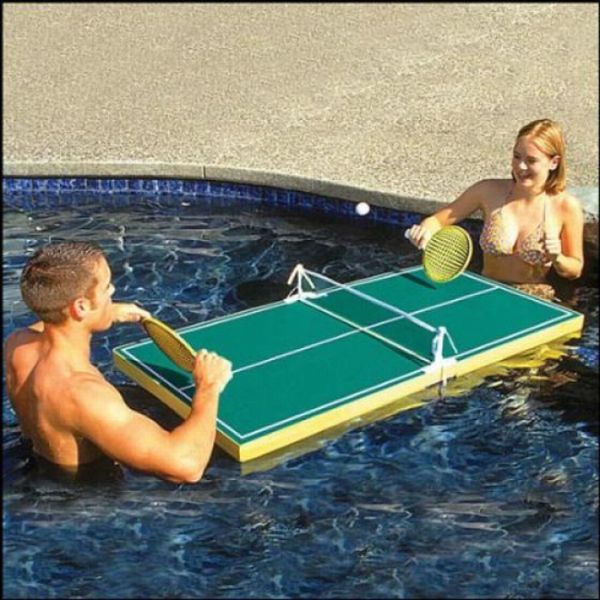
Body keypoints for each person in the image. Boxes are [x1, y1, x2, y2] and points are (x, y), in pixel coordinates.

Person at [4, 241, 233, 484]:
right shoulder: (84, 394)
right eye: (106, 288)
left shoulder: (17, 344)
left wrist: (104, 313)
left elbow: (55, 318)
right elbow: (186, 467)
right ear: (80, 307)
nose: (112, 291)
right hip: (85, 495)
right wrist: (208, 386)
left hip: (35, 463)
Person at [406, 119, 584, 299]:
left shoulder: (566, 206)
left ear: (554, 162)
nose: (521, 166)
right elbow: (437, 221)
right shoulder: (487, 191)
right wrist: (424, 231)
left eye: (531, 160)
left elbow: (575, 269)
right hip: (486, 293)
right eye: (517, 156)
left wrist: (557, 258)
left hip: (534, 299)